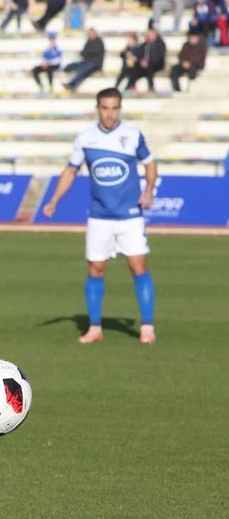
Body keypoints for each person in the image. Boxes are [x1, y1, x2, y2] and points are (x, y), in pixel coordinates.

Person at [41, 88, 158, 345]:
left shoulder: (132, 135)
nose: (110, 113)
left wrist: (148, 190)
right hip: (99, 216)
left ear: (120, 108)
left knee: (138, 267)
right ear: (98, 108)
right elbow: (71, 171)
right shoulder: (85, 138)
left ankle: (147, 326)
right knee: (96, 268)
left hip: (129, 215)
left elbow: (150, 163)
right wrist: (54, 200)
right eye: (105, 108)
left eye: (114, 108)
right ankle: (95, 327)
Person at [62, 27, 105, 92]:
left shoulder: (99, 42)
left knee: (82, 70)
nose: (90, 35)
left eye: (91, 33)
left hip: (95, 63)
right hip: (86, 61)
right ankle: (66, 73)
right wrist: (87, 53)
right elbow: (83, 53)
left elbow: (93, 52)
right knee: (72, 66)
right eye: (89, 34)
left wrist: (87, 53)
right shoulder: (88, 42)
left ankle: (71, 85)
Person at [125, 27, 167, 93]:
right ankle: (130, 86)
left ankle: (151, 87)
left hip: (156, 64)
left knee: (149, 67)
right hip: (144, 64)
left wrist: (148, 62)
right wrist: (140, 60)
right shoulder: (145, 44)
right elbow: (139, 53)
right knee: (134, 68)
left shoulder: (160, 44)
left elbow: (159, 56)